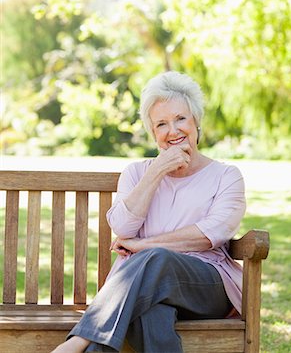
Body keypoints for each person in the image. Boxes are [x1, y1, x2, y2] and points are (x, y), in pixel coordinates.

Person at [52, 71, 246, 353]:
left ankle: (77, 342)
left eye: (181, 119)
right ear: (153, 132)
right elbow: (123, 227)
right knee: (151, 313)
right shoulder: (137, 173)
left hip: (206, 287)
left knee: (157, 258)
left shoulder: (226, 176)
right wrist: (156, 172)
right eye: (162, 124)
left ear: (196, 122)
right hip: (143, 291)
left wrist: (143, 246)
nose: (173, 131)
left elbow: (210, 234)